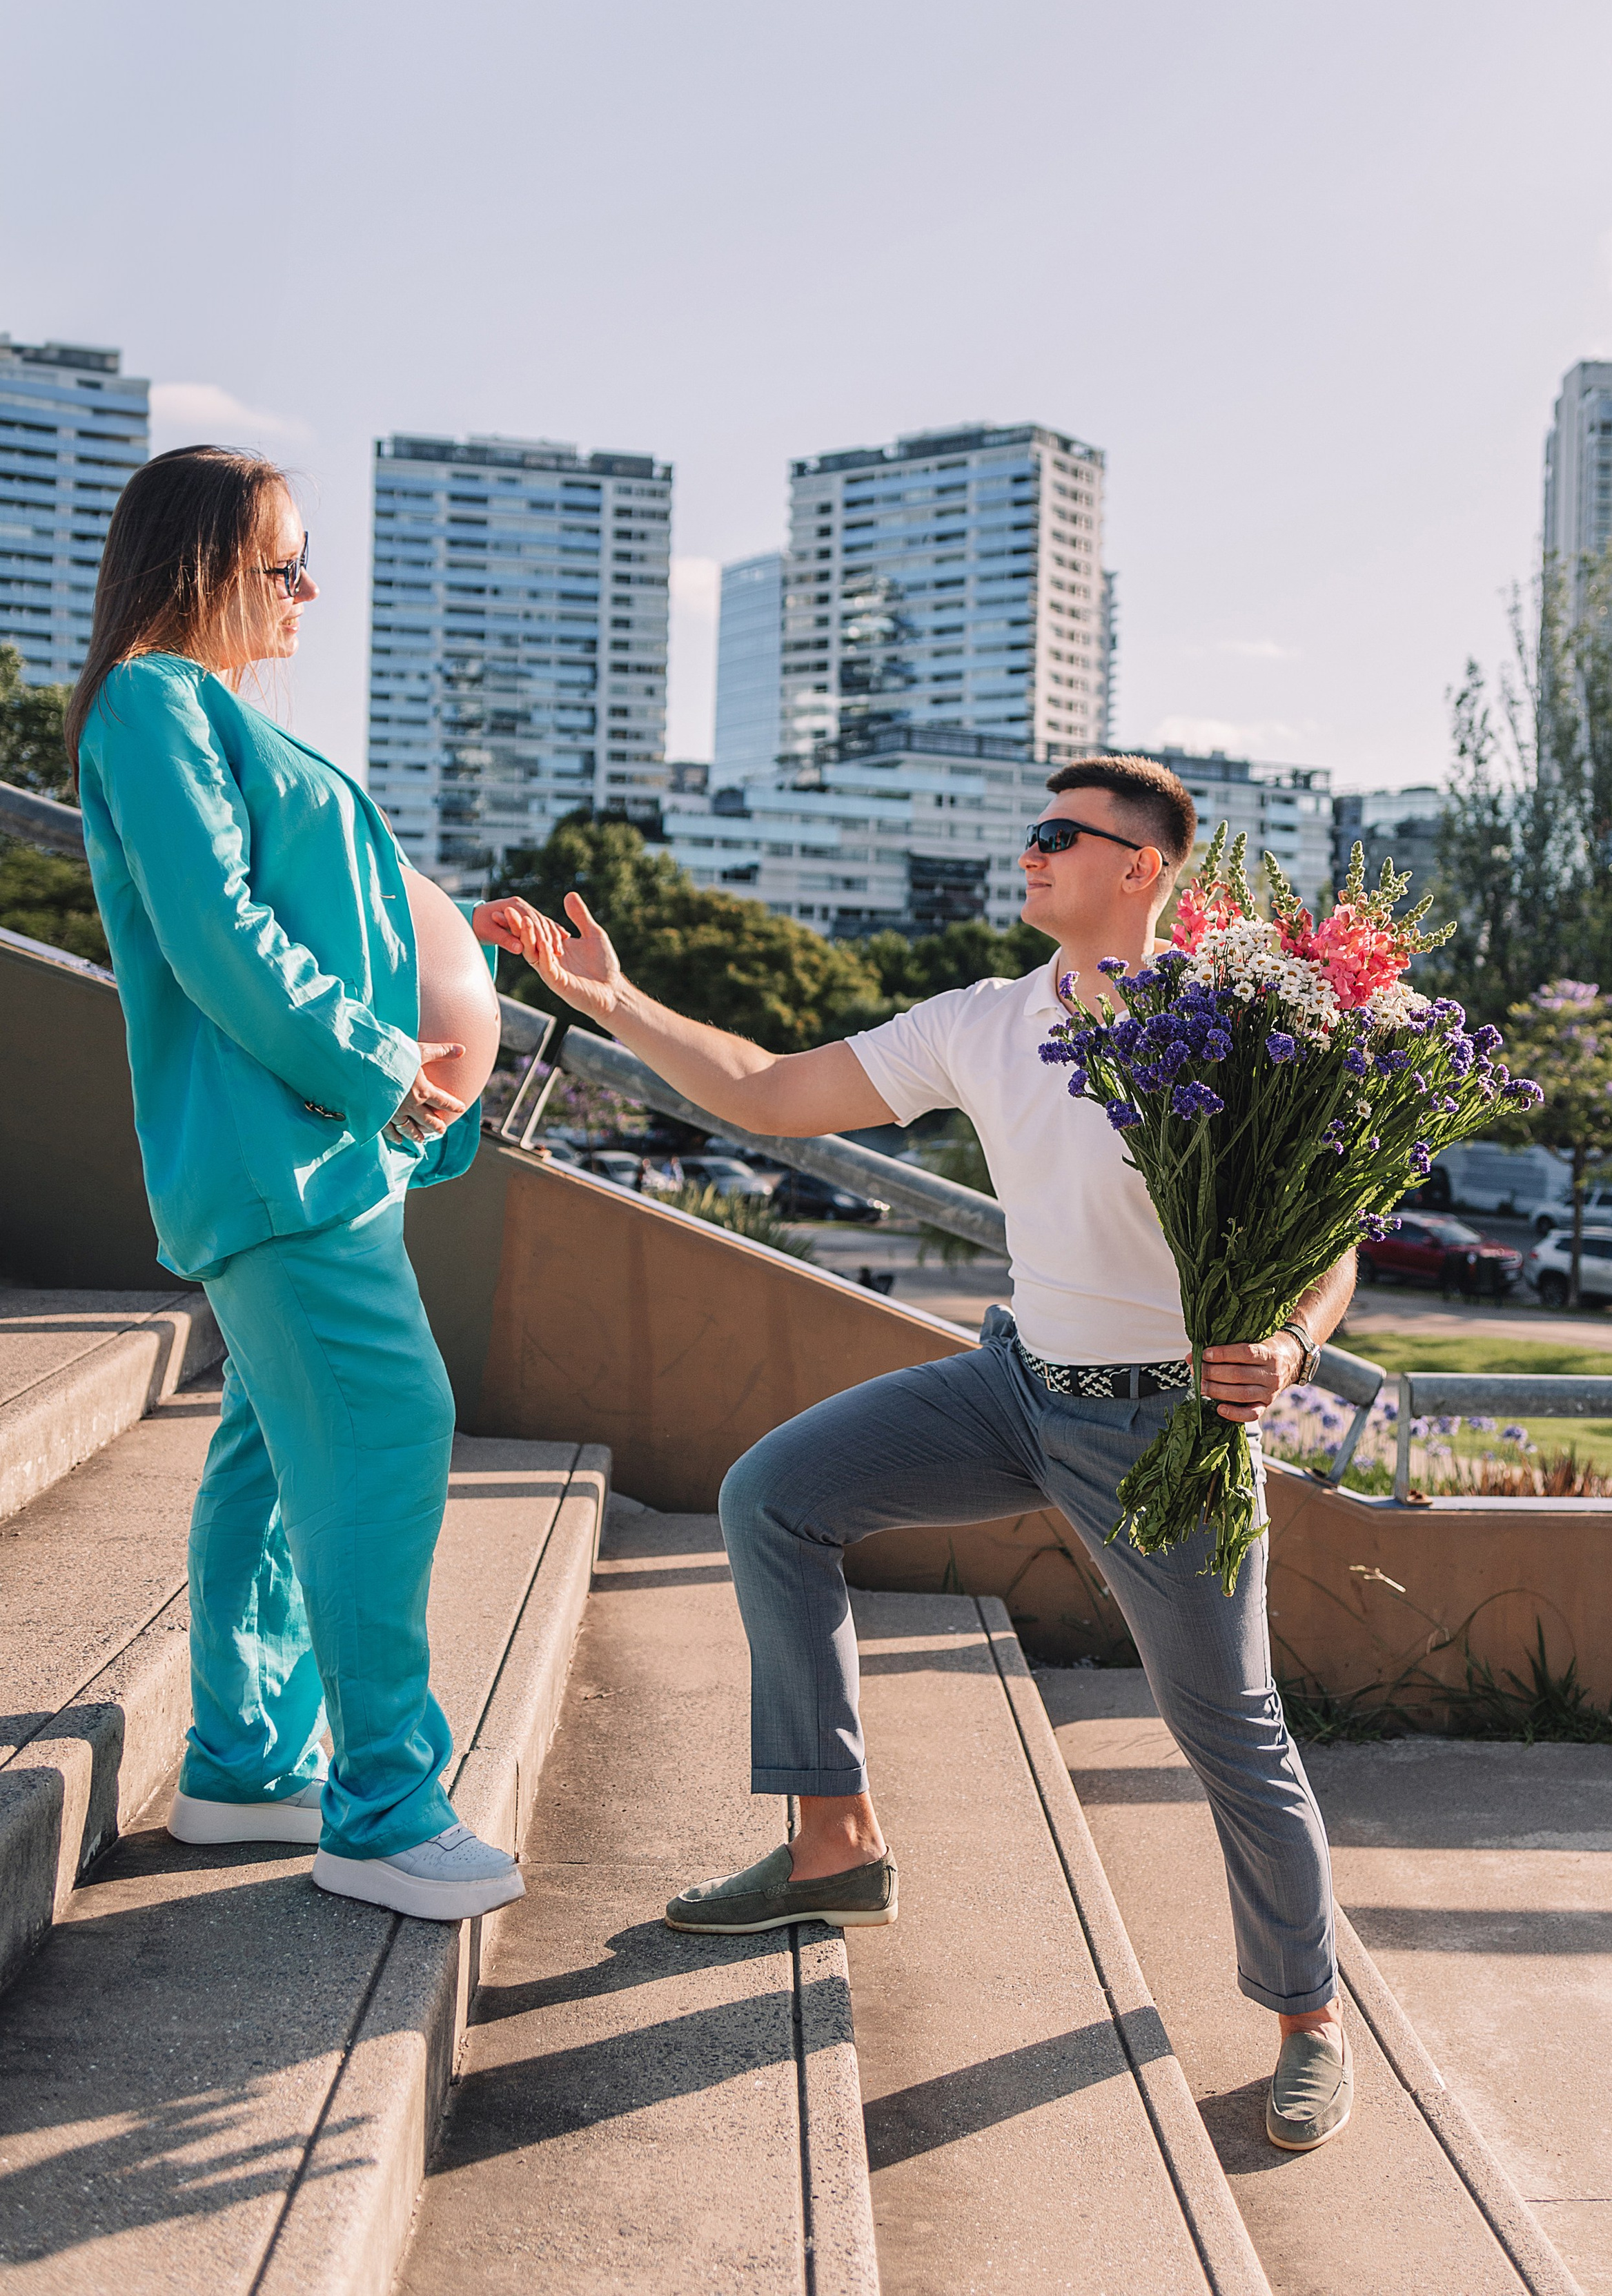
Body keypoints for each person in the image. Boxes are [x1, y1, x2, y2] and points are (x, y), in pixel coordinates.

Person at [491, 752, 1359, 2154]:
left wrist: (1294, 1354)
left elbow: (1329, 1245)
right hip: (1015, 1385)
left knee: (1227, 1734)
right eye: (1029, 831)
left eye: (1056, 836)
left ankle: (1308, 2018)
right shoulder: (983, 1021)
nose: (1027, 852)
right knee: (773, 1495)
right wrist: (613, 1002)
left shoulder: (1234, 1024)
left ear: (1139, 868)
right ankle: (832, 1842)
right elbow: (770, 1090)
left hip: (1166, 1431)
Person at [70, 446, 527, 1925]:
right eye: (283, 563)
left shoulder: (207, 718)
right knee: (391, 1422)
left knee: (269, 1463)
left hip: (321, 1159)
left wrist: (447, 957)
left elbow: (308, 911)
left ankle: (248, 1765)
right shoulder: (152, 703)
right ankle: (384, 1810)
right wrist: (385, 1063)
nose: (308, 589)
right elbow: (220, 937)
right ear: (198, 561)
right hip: (287, 1158)